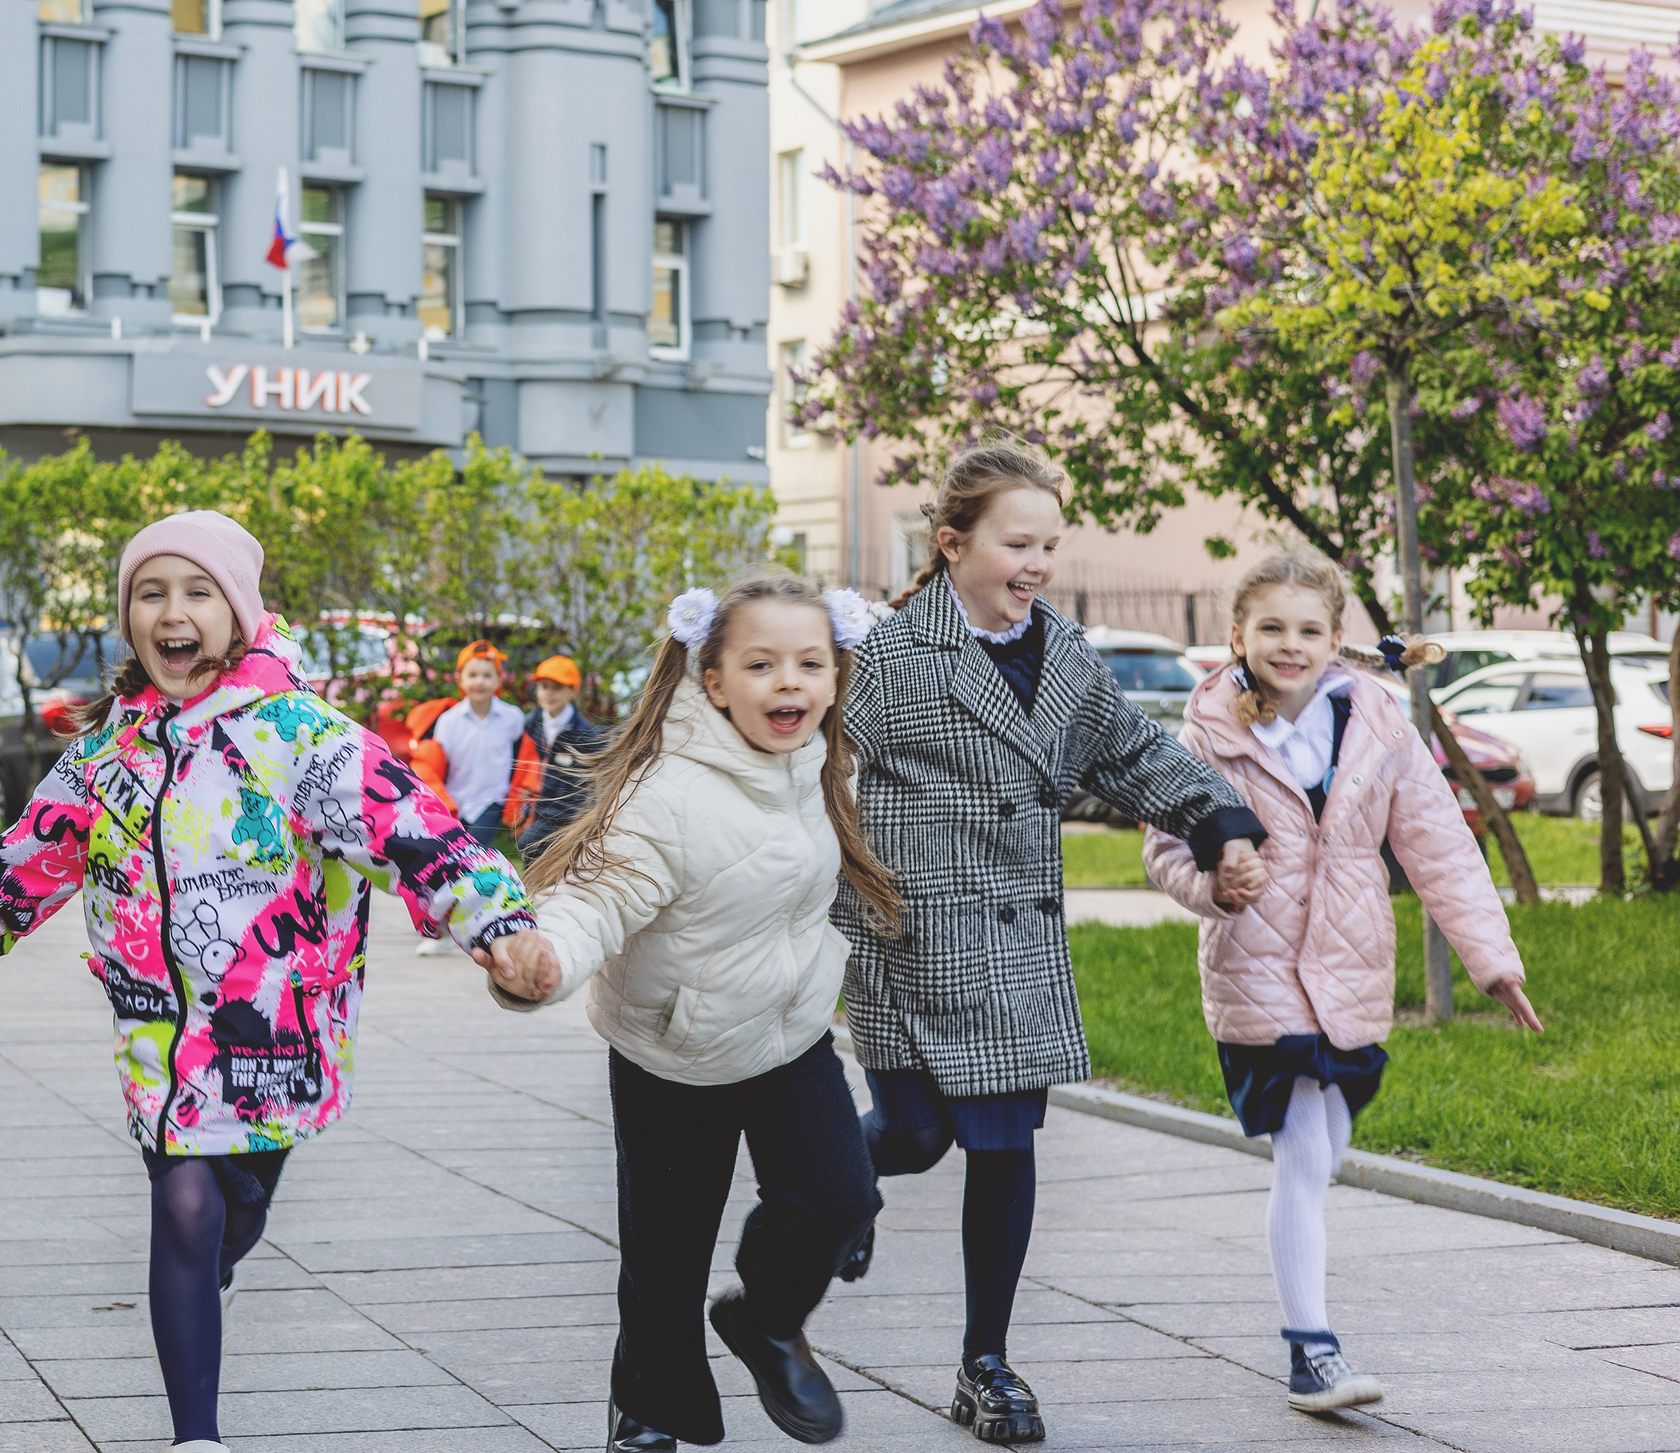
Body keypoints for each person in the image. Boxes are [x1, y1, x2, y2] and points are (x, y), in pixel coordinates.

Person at [0, 510, 558, 1453]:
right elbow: (23, 863)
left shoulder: (298, 735)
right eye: (151, 593)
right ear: (130, 620)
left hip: (278, 1031)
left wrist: (500, 921)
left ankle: (220, 1255)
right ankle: (197, 1435)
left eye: (197, 591)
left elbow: (414, 827)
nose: (173, 611)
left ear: (238, 613)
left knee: (238, 1206)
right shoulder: (108, 755)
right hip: (158, 1034)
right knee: (184, 1203)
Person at [835, 443, 1272, 1446]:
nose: (1035, 562)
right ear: (951, 545)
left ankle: (984, 1360)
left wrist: (1220, 826)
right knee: (912, 1138)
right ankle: (839, 1183)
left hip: (1013, 942)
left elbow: (1127, 750)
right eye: (1013, 542)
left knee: (1000, 1142)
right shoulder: (892, 658)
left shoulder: (1063, 651)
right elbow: (807, 766)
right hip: (906, 940)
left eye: (1048, 544)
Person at [492, 574, 894, 1452]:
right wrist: (545, 957)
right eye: (760, 663)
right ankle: (649, 1405)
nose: (788, 682)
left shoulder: (824, 762)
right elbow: (595, 896)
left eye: (809, 663)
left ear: (834, 676)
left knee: (840, 1196)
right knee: (667, 1251)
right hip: (670, 1048)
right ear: (712, 679)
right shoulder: (666, 793)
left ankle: (765, 1317)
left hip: (786, 1036)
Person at [1145, 551, 1539, 1415]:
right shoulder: (1206, 736)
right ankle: (1312, 1351)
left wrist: (1492, 961)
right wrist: (1214, 882)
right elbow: (1166, 848)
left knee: (1324, 1146)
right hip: (1257, 967)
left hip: (1352, 964)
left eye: (1310, 629)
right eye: (1272, 628)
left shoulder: (1378, 724)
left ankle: (1310, 1337)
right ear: (1237, 636)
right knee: (1303, 1146)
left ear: (1337, 639)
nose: (1291, 645)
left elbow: (1439, 844)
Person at [409, 639, 525, 847]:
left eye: (487, 675)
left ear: (499, 679)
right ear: (459, 679)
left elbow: (521, 754)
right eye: (472, 675)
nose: (480, 681)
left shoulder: (512, 717)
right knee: (452, 853)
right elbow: (437, 763)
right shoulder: (448, 721)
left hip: (491, 801)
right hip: (456, 800)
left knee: (474, 850)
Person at [506, 654, 605, 860]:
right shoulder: (529, 725)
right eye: (544, 687)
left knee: (537, 849)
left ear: (573, 691)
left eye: (557, 688)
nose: (549, 694)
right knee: (529, 852)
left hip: (565, 814)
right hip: (530, 809)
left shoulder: (585, 735)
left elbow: (586, 785)